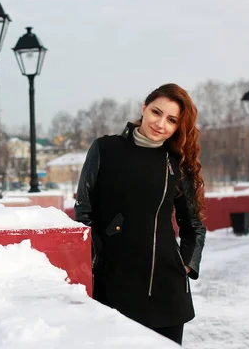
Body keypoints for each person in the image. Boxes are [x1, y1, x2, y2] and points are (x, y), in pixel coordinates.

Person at [74, 83, 207, 345]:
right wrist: (95, 259)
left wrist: (186, 265)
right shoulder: (105, 150)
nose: (161, 124)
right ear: (144, 108)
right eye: (156, 112)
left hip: (166, 290)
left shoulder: (176, 163)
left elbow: (193, 225)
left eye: (171, 120)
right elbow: (84, 210)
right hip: (113, 285)